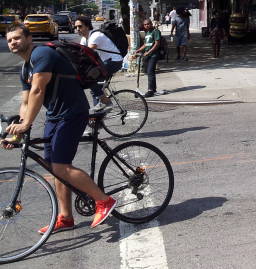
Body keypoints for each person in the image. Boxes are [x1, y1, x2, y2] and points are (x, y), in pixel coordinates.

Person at [4, 24, 117, 232]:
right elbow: (26, 102)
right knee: (52, 167)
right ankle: (65, 217)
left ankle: (104, 201)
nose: (13, 42)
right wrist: (17, 134)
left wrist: (27, 124)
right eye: (10, 40)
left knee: (60, 166)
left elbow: (38, 89)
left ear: (29, 38)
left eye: (18, 38)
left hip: (72, 113)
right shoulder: (25, 67)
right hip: (54, 116)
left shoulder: (42, 54)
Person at [75, 16, 123, 111]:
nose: (77, 29)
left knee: (90, 78)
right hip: (104, 62)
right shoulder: (84, 39)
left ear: (87, 26)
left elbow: (86, 53)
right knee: (95, 89)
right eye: (76, 27)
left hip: (114, 61)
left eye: (80, 26)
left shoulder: (95, 36)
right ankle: (98, 116)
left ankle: (106, 103)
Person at [132, 19, 161, 97]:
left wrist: (148, 52)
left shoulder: (156, 31)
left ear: (151, 24)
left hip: (153, 55)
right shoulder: (147, 33)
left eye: (148, 24)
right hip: (147, 55)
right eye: (145, 24)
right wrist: (137, 50)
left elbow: (157, 44)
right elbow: (145, 44)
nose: (146, 25)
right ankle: (153, 89)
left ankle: (150, 90)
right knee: (150, 72)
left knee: (150, 72)